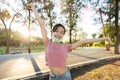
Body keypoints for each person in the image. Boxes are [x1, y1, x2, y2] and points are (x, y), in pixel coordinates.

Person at [27, 4, 111, 80]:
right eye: (56, 31)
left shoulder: (66, 47)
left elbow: (84, 41)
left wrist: (105, 38)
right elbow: (41, 24)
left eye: (62, 32)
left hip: (65, 76)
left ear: (63, 35)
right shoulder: (47, 43)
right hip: (53, 77)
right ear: (52, 32)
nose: (59, 34)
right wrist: (33, 7)